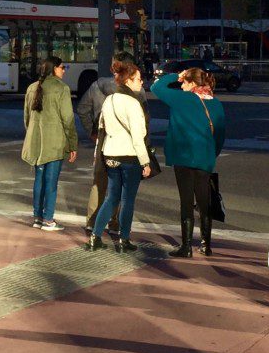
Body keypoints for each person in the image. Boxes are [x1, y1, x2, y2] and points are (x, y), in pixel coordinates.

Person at [151, 67, 226, 257]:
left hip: (183, 156)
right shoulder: (216, 103)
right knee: (204, 202)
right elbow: (219, 135)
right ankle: (206, 245)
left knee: (186, 202)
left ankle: (186, 247)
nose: (181, 85)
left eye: (184, 82)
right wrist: (211, 154)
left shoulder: (182, 99)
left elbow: (156, 87)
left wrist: (176, 75)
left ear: (192, 83)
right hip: (205, 158)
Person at [76, 51, 146, 234]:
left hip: (103, 142)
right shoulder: (137, 91)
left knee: (99, 182)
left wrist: (91, 131)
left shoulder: (97, 85)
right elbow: (143, 121)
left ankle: (92, 222)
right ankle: (115, 224)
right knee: (121, 188)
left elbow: (82, 109)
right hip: (128, 146)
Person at [22, 56, 78, 232]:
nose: (64, 70)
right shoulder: (61, 88)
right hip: (54, 142)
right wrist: (72, 145)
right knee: (51, 182)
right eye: (62, 67)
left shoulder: (32, 88)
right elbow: (67, 119)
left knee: (39, 179)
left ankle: (37, 217)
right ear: (55, 69)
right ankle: (48, 220)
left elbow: (27, 118)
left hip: (36, 142)